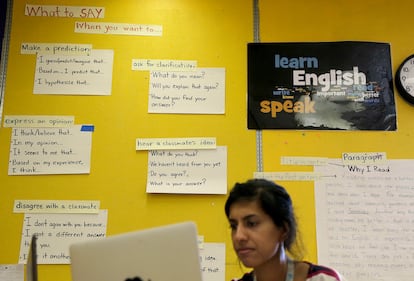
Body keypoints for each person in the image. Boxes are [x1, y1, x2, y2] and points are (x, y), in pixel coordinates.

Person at [225, 178, 345, 281]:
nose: (238, 236)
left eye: (251, 223)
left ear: (283, 230)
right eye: (234, 226)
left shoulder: (324, 279)